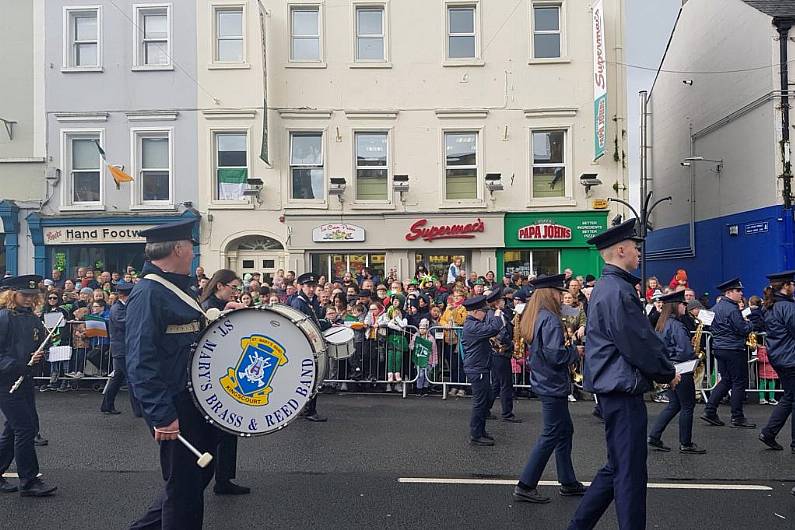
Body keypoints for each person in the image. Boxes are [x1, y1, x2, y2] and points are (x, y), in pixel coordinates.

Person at [567, 219, 679, 530]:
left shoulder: (607, 287)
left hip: (613, 385)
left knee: (616, 467)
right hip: (622, 387)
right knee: (629, 473)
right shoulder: (618, 290)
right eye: (635, 247)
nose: (639, 252)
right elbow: (637, 341)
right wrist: (666, 372)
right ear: (620, 250)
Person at [126, 219, 219, 529]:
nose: (193, 254)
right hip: (173, 401)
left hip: (192, 399)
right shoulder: (149, 293)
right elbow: (140, 360)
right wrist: (161, 415)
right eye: (191, 247)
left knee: (197, 476)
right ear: (178, 248)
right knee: (184, 489)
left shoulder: (178, 289)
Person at [513, 274, 586, 504]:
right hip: (552, 382)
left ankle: (568, 481)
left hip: (545, 380)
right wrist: (576, 352)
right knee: (552, 433)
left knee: (564, 431)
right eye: (558, 292)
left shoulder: (537, 316)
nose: (561, 295)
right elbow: (555, 355)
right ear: (550, 294)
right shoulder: (551, 319)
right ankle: (526, 484)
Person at [0, 275, 57, 497]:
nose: (28, 299)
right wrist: (20, 364)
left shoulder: (33, 319)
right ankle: (29, 480)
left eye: (32, 296)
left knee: (15, 428)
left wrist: (39, 355)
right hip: (5, 382)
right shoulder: (4, 317)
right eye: (24, 295)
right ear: (12, 294)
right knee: (25, 428)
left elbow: (35, 349)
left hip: (24, 380)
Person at [199, 270, 250, 496]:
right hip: (214, 376)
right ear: (220, 286)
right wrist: (223, 312)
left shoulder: (221, 303)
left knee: (228, 429)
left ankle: (223, 477)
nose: (236, 293)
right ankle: (214, 477)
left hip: (224, 371)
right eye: (233, 287)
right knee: (219, 431)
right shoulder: (208, 304)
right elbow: (207, 324)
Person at [647, 290, 706, 454]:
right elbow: (685, 351)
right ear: (675, 306)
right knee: (688, 406)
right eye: (682, 304)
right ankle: (686, 443)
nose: (684, 306)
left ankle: (654, 436)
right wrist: (695, 355)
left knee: (674, 405)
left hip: (669, 368)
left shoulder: (662, 323)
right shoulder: (677, 325)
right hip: (682, 368)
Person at [701, 277, 761, 429]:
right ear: (729, 292)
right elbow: (742, 329)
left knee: (726, 380)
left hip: (720, 348)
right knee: (739, 382)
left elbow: (711, 328)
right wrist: (752, 324)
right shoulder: (733, 310)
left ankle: (710, 410)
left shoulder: (715, 308)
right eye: (738, 291)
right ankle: (737, 416)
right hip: (734, 348)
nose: (741, 293)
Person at [759, 271, 795, 452]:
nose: (794, 287)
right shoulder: (788, 307)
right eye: (792, 284)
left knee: (789, 397)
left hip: (779, 356)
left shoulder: (769, 307)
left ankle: (769, 433)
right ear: (786, 286)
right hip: (791, 357)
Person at [461, 295, 504, 446]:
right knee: (479, 403)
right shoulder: (472, 326)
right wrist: (497, 315)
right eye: (483, 311)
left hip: (480, 366)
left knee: (484, 400)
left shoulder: (474, 324)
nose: (485, 314)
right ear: (475, 311)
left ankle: (481, 431)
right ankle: (475, 435)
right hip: (476, 368)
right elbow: (493, 328)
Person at [291, 272, 331, 422]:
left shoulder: (311, 301)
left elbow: (315, 321)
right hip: (305, 344)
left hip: (311, 343)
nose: (311, 289)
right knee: (312, 377)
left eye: (313, 286)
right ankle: (309, 410)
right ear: (301, 287)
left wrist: (329, 324)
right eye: (308, 286)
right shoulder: (299, 302)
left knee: (312, 377)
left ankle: (306, 408)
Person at [100, 281, 142, 416]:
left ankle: (107, 405)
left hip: (123, 348)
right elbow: (125, 324)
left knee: (118, 377)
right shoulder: (117, 309)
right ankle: (138, 410)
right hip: (122, 349)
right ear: (125, 296)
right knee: (131, 378)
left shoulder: (122, 307)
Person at [486, 289, 520, 423]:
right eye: (501, 300)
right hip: (500, 352)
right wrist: (512, 344)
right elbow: (500, 334)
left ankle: (485, 409)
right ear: (496, 303)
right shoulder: (496, 314)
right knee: (506, 384)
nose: (504, 302)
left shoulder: (496, 313)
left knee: (496, 384)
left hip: (497, 353)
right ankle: (507, 413)